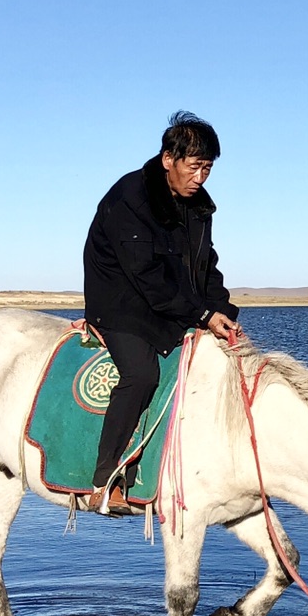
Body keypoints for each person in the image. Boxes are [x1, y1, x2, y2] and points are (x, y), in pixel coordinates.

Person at [79, 111, 239, 513]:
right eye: (194, 166)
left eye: (207, 168)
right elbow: (145, 276)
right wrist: (201, 316)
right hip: (121, 303)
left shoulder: (197, 205)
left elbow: (205, 266)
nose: (200, 177)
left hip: (167, 304)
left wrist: (222, 312)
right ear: (169, 158)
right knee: (142, 372)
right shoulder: (130, 198)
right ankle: (103, 479)